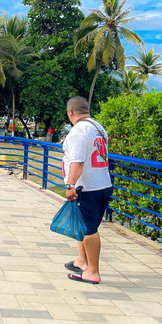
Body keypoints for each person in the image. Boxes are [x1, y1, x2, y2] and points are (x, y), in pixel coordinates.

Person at [62, 96, 113, 285]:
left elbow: (78, 162)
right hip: (102, 184)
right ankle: (82, 261)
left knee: (89, 229)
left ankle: (92, 272)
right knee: (85, 226)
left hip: (87, 187)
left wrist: (70, 185)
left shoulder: (78, 131)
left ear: (70, 112)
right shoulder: (99, 128)